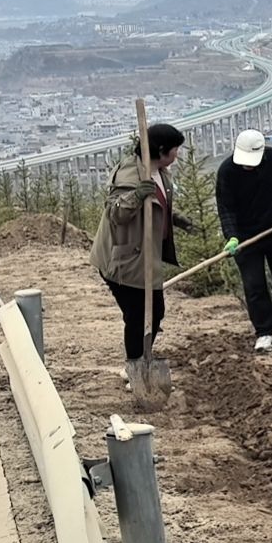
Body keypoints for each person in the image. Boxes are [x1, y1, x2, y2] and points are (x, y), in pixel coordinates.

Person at [91, 122, 194, 368]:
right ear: (162, 150)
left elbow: (156, 205)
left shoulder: (159, 171)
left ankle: (141, 360)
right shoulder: (130, 176)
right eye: (175, 149)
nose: (177, 154)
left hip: (143, 257)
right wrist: (136, 195)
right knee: (139, 316)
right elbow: (116, 214)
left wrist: (175, 219)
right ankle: (136, 367)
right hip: (124, 261)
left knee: (154, 313)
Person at [216, 129, 272, 353]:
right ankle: (264, 332)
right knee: (254, 285)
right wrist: (231, 235)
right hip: (245, 238)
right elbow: (225, 208)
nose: (247, 166)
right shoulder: (227, 171)